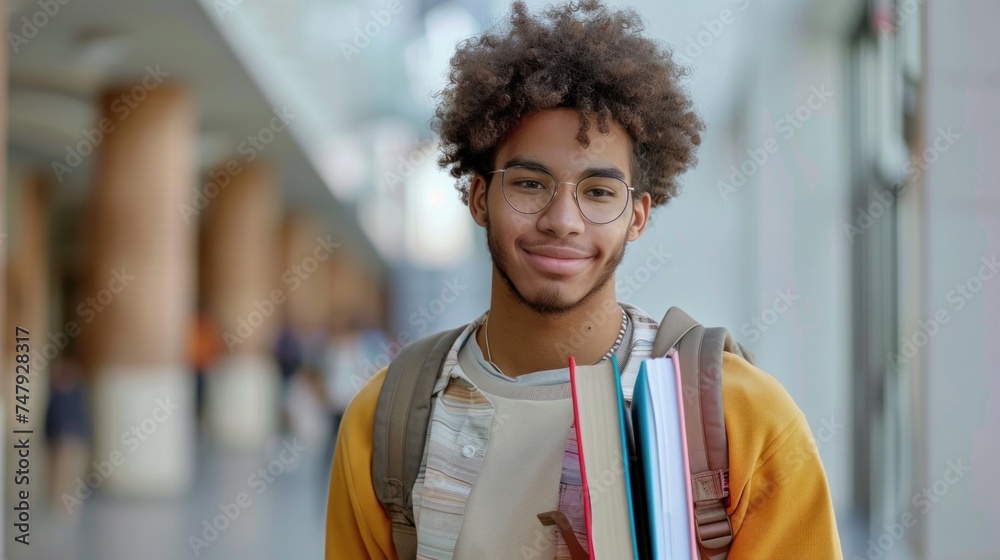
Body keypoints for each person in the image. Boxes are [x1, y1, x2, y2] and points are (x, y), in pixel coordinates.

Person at [325, 1, 843, 558]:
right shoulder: (388, 419)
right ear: (479, 197)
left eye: (598, 192)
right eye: (528, 184)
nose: (562, 221)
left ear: (638, 216)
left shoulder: (746, 419)